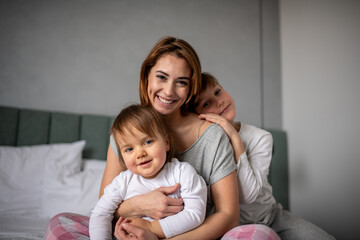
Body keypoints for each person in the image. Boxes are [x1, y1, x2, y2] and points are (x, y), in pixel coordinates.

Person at [44, 36, 279, 240]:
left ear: (190, 88)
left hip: (193, 235)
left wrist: (155, 235)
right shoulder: (125, 133)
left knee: (260, 235)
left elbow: (228, 216)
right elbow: (105, 208)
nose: (168, 91)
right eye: (162, 77)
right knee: (59, 224)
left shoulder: (211, 137)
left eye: (181, 83)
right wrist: (140, 205)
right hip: (130, 231)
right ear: (147, 76)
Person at [191, 72, 335, 240]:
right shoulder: (206, 147)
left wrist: (235, 139)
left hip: (270, 217)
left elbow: (248, 195)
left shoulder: (260, 137)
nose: (219, 101)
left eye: (218, 92)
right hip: (229, 226)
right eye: (207, 103)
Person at [89, 104, 207, 239]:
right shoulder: (123, 182)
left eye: (148, 142)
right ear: (122, 157)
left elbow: (195, 214)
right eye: (129, 149)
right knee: (61, 221)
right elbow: (100, 214)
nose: (140, 153)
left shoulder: (182, 173)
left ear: (166, 142)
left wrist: (151, 228)